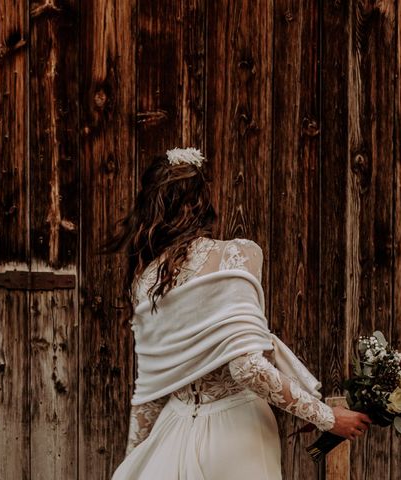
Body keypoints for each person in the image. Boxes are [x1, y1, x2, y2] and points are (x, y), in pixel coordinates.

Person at [104, 147, 372, 479]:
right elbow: (246, 366)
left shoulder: (144, 281)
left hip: (173, 428)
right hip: (236, 433)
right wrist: (329, 417)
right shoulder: (235, 255)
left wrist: (134, 460)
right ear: (202, 200)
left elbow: (147, 394)